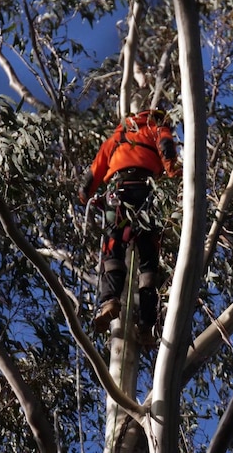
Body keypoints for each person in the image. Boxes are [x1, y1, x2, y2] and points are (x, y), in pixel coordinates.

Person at [78, 109, 181, 344]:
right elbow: (166, 146)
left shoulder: (117, 138)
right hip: (148, 193)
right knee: (148, 259)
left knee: (113, 245)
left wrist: (85, 194)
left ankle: (110, 301)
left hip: (119, 191)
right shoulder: (156, 128)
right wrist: (173, 171)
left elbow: (93, 173)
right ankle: (146, 325)